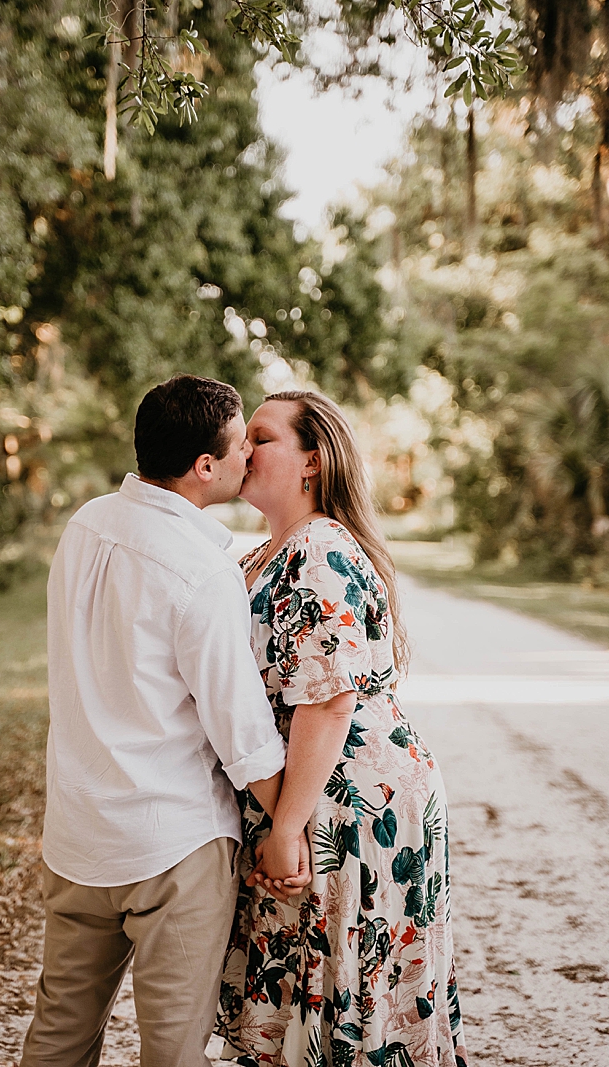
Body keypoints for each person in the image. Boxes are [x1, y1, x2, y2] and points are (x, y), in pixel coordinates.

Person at [22, 374, 304, 1067]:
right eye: (241, 445)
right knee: (173, 1053)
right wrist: (291, 828)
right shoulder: (201, 569)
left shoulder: (83, 525)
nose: (247, 458)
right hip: (172, 847)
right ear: (205, 466)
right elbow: (241, 731)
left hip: (79, 836)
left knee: (59, 1035)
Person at [216, 390, 467, 1066]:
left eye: (260, 437)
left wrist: (287, 827)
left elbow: (328, 702)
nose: (243, 449)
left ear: (312, 461)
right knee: (307, 990)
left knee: (346, 991)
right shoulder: (264, 554)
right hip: (310, 791)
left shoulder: (320, 548)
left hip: (350, 802)